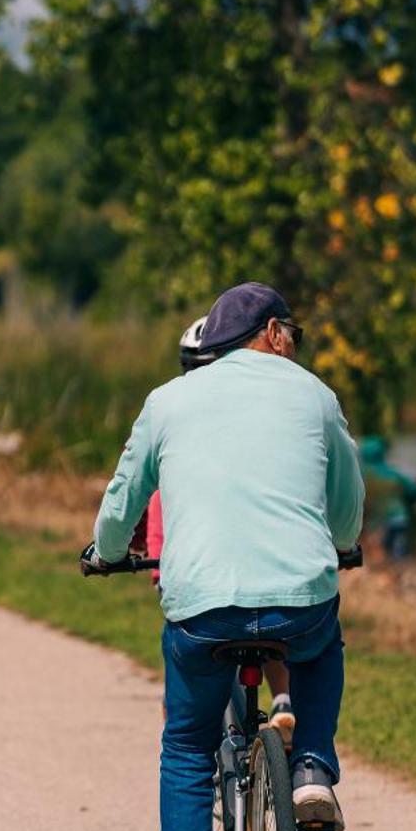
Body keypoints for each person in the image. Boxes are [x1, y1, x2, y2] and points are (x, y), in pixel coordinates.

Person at [83, 282, 364, 831]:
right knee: (320, 645)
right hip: (298, 599)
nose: (295, 340)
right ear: (269, 332)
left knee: (185, 748)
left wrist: (107, 552)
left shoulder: (167, 402)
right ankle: (310, 766)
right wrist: (342, 541)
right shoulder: (313, 394)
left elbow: (125, 496)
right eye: (291, 328)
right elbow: (346, 490)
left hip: (203, 608)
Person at [138, 318, 295, 742]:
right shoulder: (276, 414)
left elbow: (144, 498)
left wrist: (131, 556)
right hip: (269, 576)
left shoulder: (170, 415)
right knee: (287, 634)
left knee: (186, 728)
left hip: (194, 582)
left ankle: (197, 740)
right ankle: (292, 725)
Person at [358, 433, 416, 562]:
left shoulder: (360, 475)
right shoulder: (392, 473)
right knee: (399, 556)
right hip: (399, 519)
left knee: (378, 556)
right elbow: (415, 492)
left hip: (375, 525)